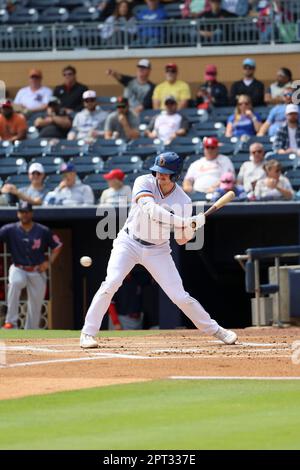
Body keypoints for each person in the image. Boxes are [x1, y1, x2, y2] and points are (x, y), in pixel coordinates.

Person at [80, 152, 238, 348]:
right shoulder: (143, 181)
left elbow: (181, 240)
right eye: (158, 171)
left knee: (179, 296)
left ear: (176, 175)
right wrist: (183, 221)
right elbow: (151, 209)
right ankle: (88, 333)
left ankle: (216, 330)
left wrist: (192, 227)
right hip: (129, 242)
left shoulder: (184, 201)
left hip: (158, 249)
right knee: (111, 283)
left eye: (165, 173)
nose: (159, 176)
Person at [0, 201, 62, 329]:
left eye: (27, 212)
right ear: (18, 213)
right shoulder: (9, 229)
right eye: (22, 212)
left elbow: (58, 245)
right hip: (19, 268)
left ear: (31, 213)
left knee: (36, 303)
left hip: (37, 269)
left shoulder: (43, 230)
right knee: (16, 283)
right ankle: (11, 322)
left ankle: (31, 330)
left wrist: (48, 262)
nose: (25, 215)